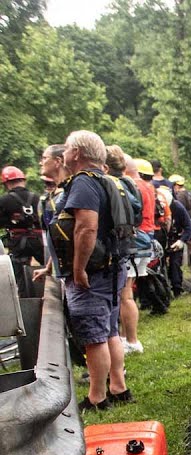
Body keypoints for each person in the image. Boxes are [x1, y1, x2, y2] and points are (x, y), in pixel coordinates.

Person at [43, 130, 132, 412]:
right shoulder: (106, 180)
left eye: (67, 149)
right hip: (113, 267)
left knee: (93, 337)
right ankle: (118, 387)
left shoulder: (83, 183)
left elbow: (86, 227)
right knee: (109, 331)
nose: (64, 154)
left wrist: (78, 268)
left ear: (77, 153)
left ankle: (97, 397)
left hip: (92, 272)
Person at [105, 146, 147, 355]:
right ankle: (125, 338)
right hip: (133, 241)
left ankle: (131, 340)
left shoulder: (115, 184)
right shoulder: (131, 182)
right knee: (125, 294)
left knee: (125, 295)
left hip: (124, 244)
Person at [0, 165, 44, 268]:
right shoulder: (37, 198)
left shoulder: (4, 200)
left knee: (19, 275)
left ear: (7, 183)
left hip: (18, 242)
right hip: (39, 240)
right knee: (47, 270)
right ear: (23, 180)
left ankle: (22, 284)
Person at [157, 185, 191, 295]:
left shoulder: (178, 208)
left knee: (175, 264)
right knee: (159, 265)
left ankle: (177, 289)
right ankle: (162, 291)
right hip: (160, 239)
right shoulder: (156, 206)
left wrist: (182, 241)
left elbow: (188, 227)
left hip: (175, 239)